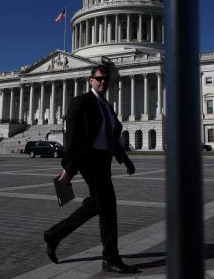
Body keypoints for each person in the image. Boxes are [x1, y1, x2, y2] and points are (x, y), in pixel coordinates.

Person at [43, 66, 139, 274]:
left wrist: (124, 159)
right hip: (89, 159)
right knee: (108, 208)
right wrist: (69, 168)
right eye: (99, 79)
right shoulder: (82, 102)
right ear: (91, 81)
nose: (103, 81)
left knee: (95, 205)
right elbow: (72, 137)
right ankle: (111, 257)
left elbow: (112, 136)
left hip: (103, 160)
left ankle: (54, 235)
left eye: (105, 79)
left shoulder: (107, 106)